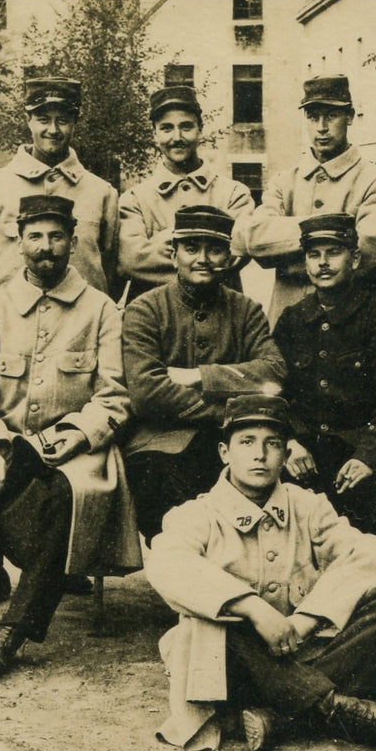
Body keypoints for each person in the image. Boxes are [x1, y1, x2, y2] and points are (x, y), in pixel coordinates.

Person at [145, 394, 376, 751]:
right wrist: (254, 609)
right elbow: (169, 565)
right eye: (246, 442)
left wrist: (306, 620)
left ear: (286, 456)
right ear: (224, 453)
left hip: (302, 650)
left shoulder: (306, 504)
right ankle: (336, 710)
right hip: (241, 666)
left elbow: (367, 554)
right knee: (211, 622)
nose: (259, 455)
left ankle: (283, 716)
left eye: (272, 444)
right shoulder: (195, 514)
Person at [0, 195, 140, 679]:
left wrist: (81, 435)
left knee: (68, 495)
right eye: (35, 237)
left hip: (78, 449)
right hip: (7, 436)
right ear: (18, 241)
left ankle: (16, 632)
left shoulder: (103, 310)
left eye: (56, 236)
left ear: (72, 241)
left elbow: (114, 396)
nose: (46, 247)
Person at [122, 205, 287, 543]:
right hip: (160, 444)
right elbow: (147, 394)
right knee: (167, 511)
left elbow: (273, 374)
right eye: (192, 248)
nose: (203, 259)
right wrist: (233, 405)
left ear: (228, 257)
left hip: (231, 442)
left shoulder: (246, 310)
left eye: (214, 249)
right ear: (174, 254)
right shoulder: (145, 310)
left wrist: (200, 375)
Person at [271, 212, 376, 552]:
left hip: (360, 450)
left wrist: (369, 457)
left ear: (355, 258)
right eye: (314, 255)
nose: (323, 264)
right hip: (306, 451)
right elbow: (274, 391)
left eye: (334, 253)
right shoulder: (293, 320)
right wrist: (288, 441)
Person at [0, 76, 119, 319]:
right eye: (43, 120)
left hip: (80, 337)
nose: (53, 130)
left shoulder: (102, 193)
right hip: (10, 334)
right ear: (28, 121)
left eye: (63, 121)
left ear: (75, 123)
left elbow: (110, 275)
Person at [241, 75, 376, 322]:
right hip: (289, 329)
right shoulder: (284, 181)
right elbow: (256, 240)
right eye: (313, 117)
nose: (321, 127)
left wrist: (286, 254)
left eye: (331, 116)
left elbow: (368, 253)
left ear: (350, 117)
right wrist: (336, 236)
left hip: (355, 329)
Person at [116, 83, 255, 303]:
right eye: (166, 128)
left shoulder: (234, 193)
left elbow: (237, 253)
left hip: (220, 313)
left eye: (186, 127)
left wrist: (162, 241)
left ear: (200, 129)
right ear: (154, 133)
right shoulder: (134, 199)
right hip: (153, 317)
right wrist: (210, 245)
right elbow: (131, 261)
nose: (177, 137)